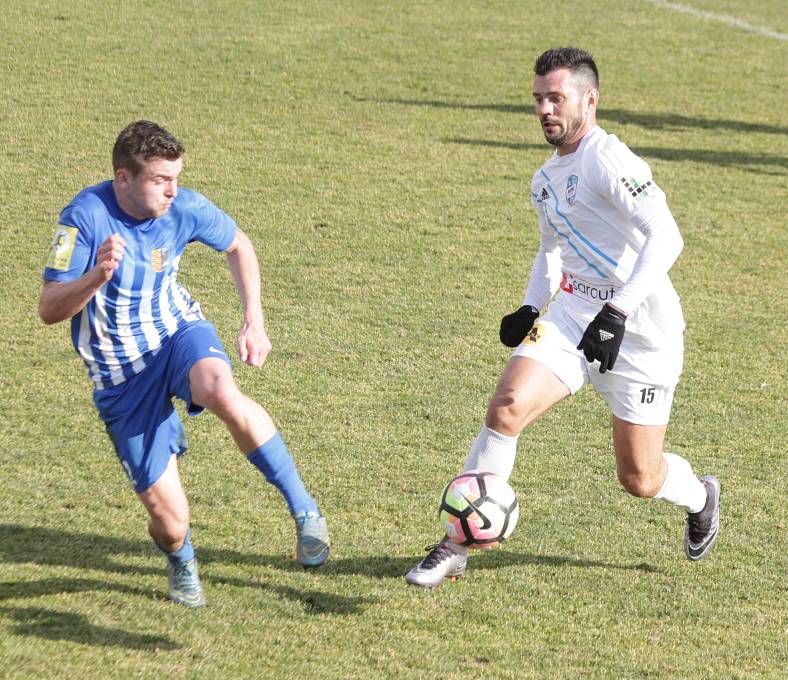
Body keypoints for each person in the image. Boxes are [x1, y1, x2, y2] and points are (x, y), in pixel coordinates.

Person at [405, 48, 720, 588]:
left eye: (557, 98)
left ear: (589, 100)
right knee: (506, 409)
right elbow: (552, 252)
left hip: (641, 333)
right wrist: (531, 304)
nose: (546, 109)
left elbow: (667, 236)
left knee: (640, 478)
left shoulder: (609, 160)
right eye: (538, 100)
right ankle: (457, 543)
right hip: (574, 316)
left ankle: (701, 494)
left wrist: (618, 310)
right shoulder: (544, 179)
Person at [39, 120, 330, 607]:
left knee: (221, 390)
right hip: (121, 375)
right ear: (123, 178)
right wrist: (96, 276)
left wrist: (253, 320)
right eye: (160, 180)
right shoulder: (83, 218)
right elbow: (49, 308)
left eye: (177, 177)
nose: (174, 190)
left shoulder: (185, 206)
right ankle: (181, 559)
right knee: (170, 522)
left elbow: (240, 245)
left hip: (176, 333)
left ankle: (305, 513)